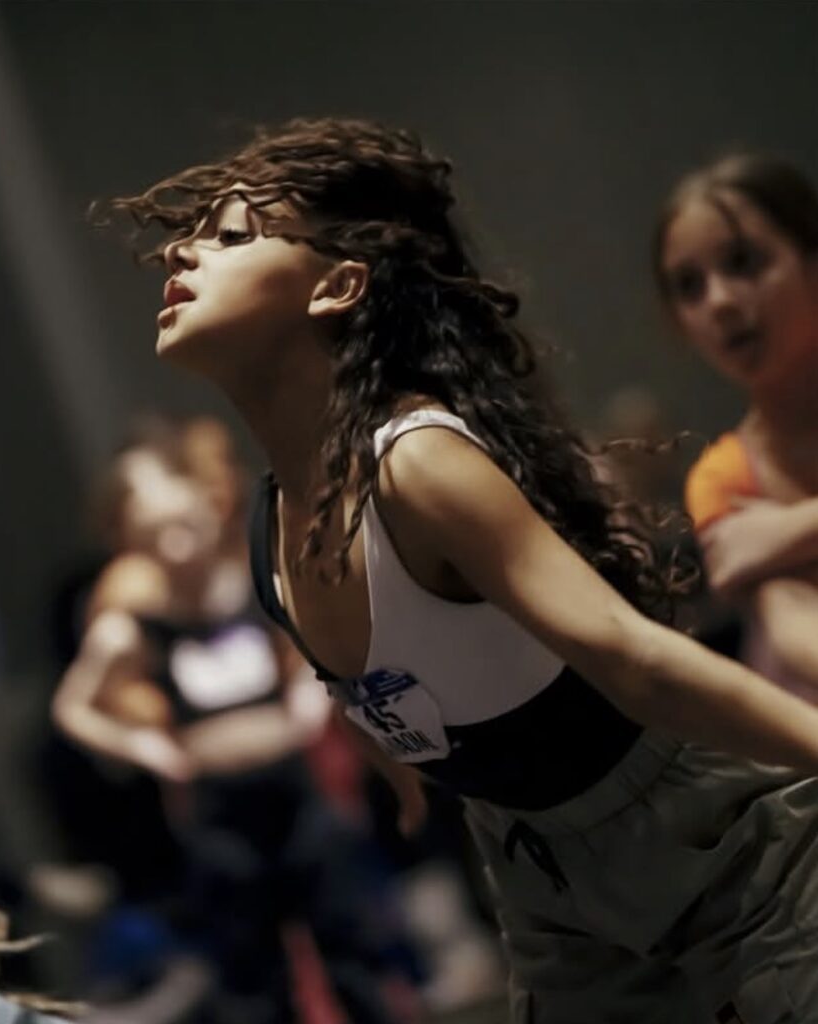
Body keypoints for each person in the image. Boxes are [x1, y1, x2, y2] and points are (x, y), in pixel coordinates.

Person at [107, 118, 818, 1021]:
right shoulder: (269, 529)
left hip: (721, 851)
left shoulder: (415, 462)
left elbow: (634, 658)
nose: (183, 249)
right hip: (546, 891)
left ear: (336, 286)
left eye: (234, 235)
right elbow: (381, 691)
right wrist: (406, 782)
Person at [53, 435, 403, 1024]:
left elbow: (317, 638)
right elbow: (73, 707)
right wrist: (143, 745)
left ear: (211, 506)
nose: (176, 545)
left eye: (184, 524)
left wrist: (308, 691)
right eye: (153, 534)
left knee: (352, 944)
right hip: (219, 814)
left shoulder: (257, 582)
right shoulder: (134, 624)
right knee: (252, 977)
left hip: (297, 794)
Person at [656, 153, 818, 703]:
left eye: (743, 262)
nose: (720, 301)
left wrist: (789, 528)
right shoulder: (721, 476)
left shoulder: (759, 523)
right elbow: (795, 627)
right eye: (689, 286)